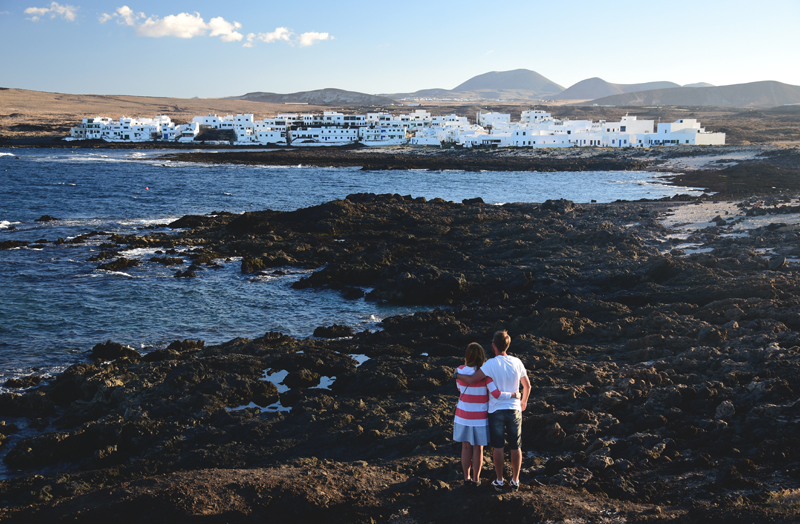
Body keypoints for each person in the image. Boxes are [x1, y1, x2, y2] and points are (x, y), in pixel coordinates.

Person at [456, 330, 530, 492]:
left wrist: (456, 374)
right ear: (508, 345)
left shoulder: (489, 364)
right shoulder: (517, 362)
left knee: (498, 447)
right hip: (514, 409)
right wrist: (523, 401)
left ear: (494, 346)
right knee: (516, 446)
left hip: (496, 410)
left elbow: (471, 380)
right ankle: (515, 481)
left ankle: (499, 480)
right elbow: (527, 385)